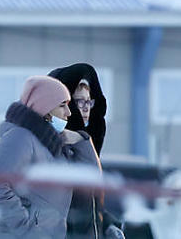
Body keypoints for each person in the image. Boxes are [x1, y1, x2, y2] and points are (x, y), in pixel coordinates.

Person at [0, 76, 74, 239]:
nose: (68, 113)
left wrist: (83, 140)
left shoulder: (52, 145)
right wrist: (26, 230)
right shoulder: (20, 137)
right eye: (62, 106)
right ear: (45, 108)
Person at [49, 63, 125, 239]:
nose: (85, 107)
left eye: (88, 101)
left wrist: (108, 224)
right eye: (78, 101)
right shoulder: (51, 149)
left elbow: (90, 204)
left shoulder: (82, 146)